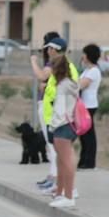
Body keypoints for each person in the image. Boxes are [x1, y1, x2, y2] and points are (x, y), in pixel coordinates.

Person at [30, 35, 80, 193]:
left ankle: (68, 190)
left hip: (60, 117)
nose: (48, 51)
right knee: (57, 153)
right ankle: (60, 187)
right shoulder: (64, 66)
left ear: (55, 50)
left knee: (61, 154)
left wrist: (33, 61)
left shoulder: (60, 66)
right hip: (56, 115)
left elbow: (43, 77)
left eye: (50, 48)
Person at [47, 56, 79, 208]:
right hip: (70, 125)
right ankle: (61, 193)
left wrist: (52, 126)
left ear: (56, 69)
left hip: (62, 126)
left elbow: (59, 110)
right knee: (62, 161)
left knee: (65, 162)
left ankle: (68, 196)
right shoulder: (70, 84)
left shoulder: (62, 86)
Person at [77, 44, 101, 169]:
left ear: (89, 55)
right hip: (84, 105)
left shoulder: (94, 71)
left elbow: (81, 85)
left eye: (84, 54)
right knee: (84, 134)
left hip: (89, 105)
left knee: (88, 134)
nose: (82, 56)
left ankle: (89, 162)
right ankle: (83, 160)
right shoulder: (87, 70)